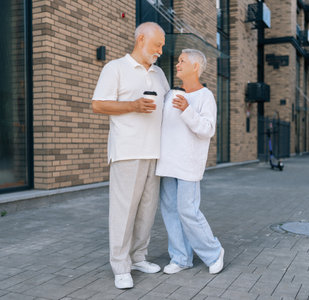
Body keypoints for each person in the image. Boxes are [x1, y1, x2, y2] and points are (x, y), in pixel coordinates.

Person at [92, 22, 170, 289]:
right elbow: (98, 104)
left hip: (155, 152)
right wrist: (133, 105)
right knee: (123, 212)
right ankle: (120, 265)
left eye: (162, 45)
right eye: (157, 44)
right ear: (140, 39)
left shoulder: (159, 73)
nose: (160, 50)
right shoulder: (115, 68)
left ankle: (138, 258)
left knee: (147, 211)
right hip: (127, 151)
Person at [156, 49, 224, 275]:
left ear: (195, 66)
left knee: (188, 211)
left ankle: (214, 252)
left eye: (182, 61)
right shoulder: (170, 95)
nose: (177, 64)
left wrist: (187, 110)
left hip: (188, 165)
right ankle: (181, 257)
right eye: (177, 61)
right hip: (167, 164)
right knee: (170, 212)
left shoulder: (206, 97)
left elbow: (207, 129)